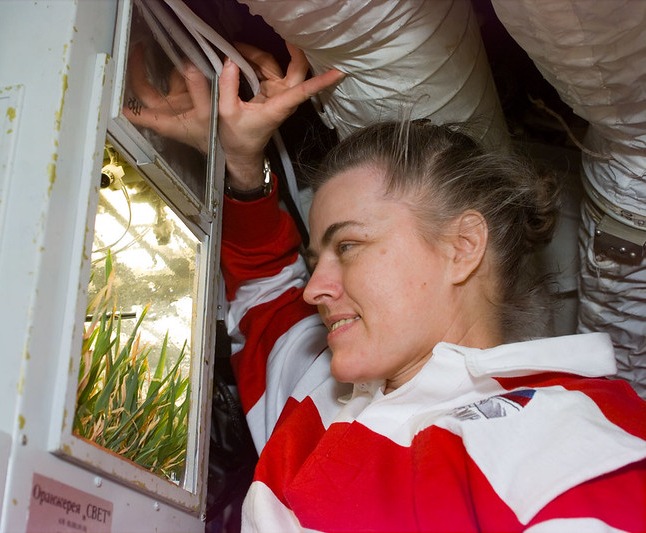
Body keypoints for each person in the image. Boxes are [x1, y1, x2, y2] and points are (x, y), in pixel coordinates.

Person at [128, 43, 646, 532]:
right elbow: (265, 289)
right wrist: (241, 163)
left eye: (348, 246)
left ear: (463, 246)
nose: (314, 290)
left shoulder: (573, 442)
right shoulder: (316, 388)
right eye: (318, 260)